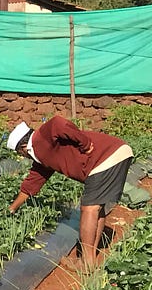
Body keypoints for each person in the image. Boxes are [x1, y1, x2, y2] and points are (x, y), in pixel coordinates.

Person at [7, 115, 133, 269]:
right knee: (97, 209)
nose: (22, 157)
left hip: (104, 157)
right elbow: (32, 184)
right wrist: (12, 208)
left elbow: (58, 123)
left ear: (24, 147)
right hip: (116, 154)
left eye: (20, 153)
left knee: (89, 208)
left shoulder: (41, 136)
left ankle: (86, 263)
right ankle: (90, 258)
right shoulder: (41, 155)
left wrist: (85, 144)